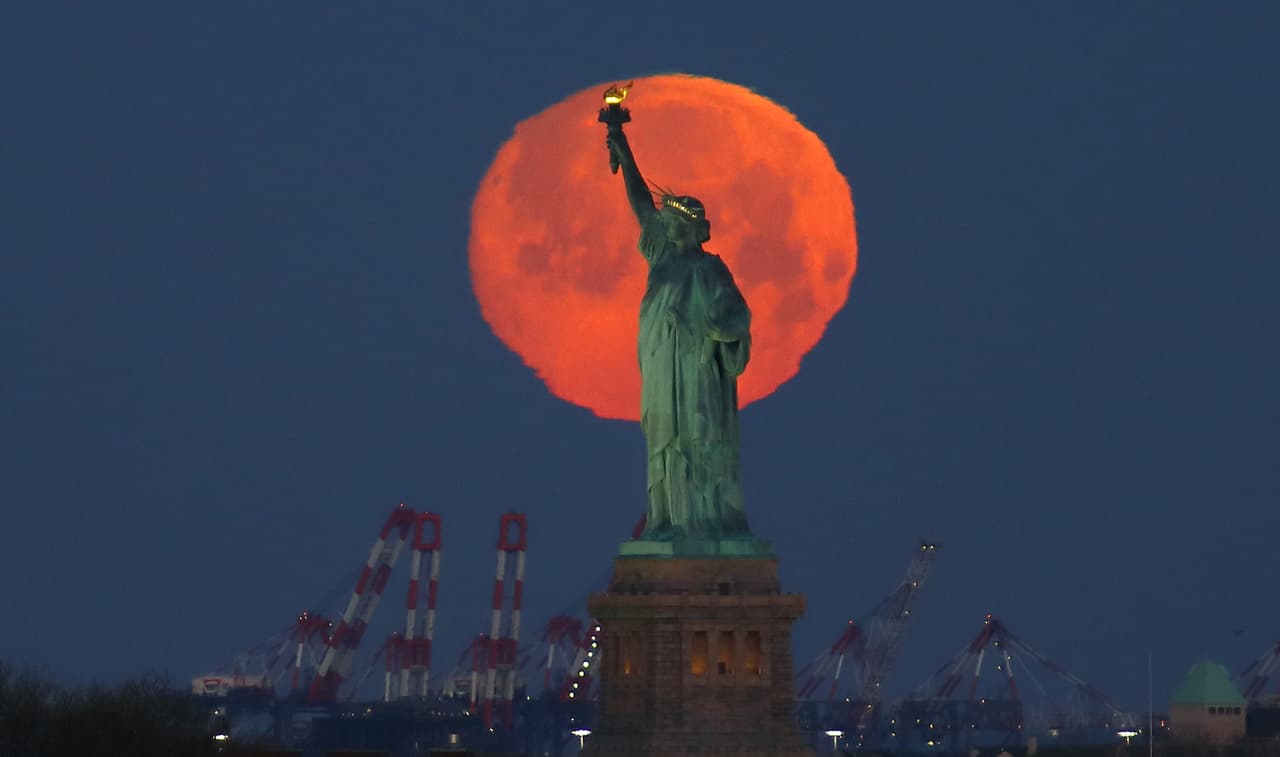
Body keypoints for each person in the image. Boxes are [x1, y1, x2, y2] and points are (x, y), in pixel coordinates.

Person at [605, 130, 752, 538]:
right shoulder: (661, 259)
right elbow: (639, 204)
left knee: (698, 438)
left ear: (690, 227)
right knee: (663, 442)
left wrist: (720, 329)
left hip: (696, 372)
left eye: (671, 221)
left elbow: (737, 316)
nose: (663, 225)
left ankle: (703, 521)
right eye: (664, 221)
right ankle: (667, 519)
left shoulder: (710, 270)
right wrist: (622, 144)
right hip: (659, 369)